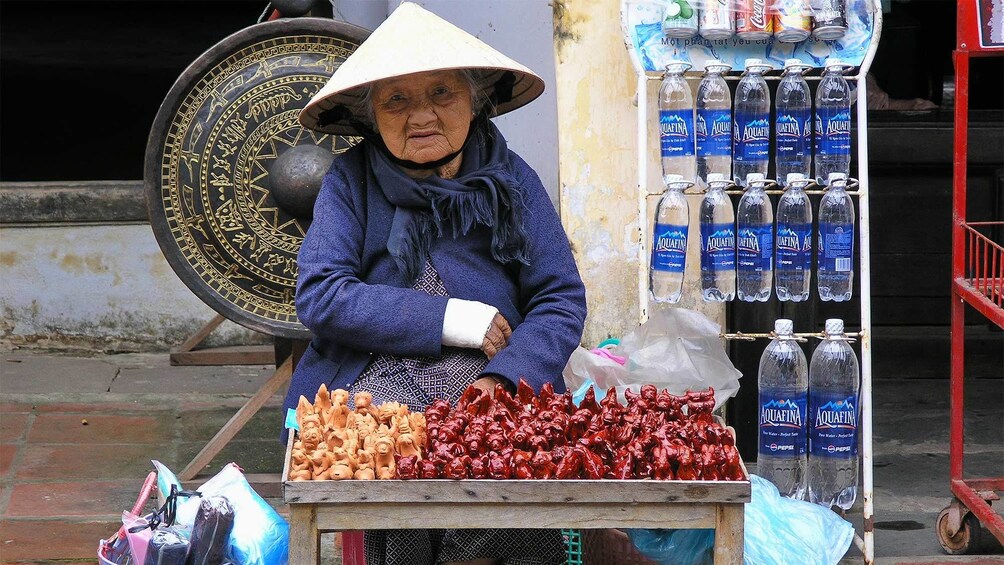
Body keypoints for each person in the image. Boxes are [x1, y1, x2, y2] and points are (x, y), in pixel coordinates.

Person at [287, 3, 587, 564]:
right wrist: (453, 320)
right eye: (396, 98)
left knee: (493, 450)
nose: (420, 114)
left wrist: (508, 376)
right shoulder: (351, 181)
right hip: (374, 370)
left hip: (491, 373)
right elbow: (321, 294)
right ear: (370, 113)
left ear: (473, 101)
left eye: (442, 93)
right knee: (396, 447)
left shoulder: (511, 178)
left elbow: (559, 298)